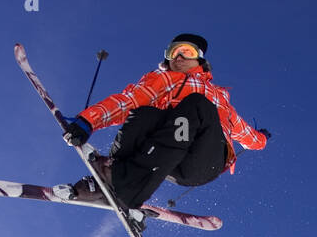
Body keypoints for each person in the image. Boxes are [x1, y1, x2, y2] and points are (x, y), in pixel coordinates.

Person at [58, 34, 270, 226]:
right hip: (166, 158)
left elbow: (245, 133)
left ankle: (123, 186)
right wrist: (88, 121)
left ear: (200, 59)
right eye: (173, 53)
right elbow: (128, 101)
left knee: (196, 103)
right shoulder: (163, 79)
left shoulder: (219, 98)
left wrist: (261, 139)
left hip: (203, 160)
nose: (178, 57)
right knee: (144, 115)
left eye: (187, 52)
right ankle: (110, 182)